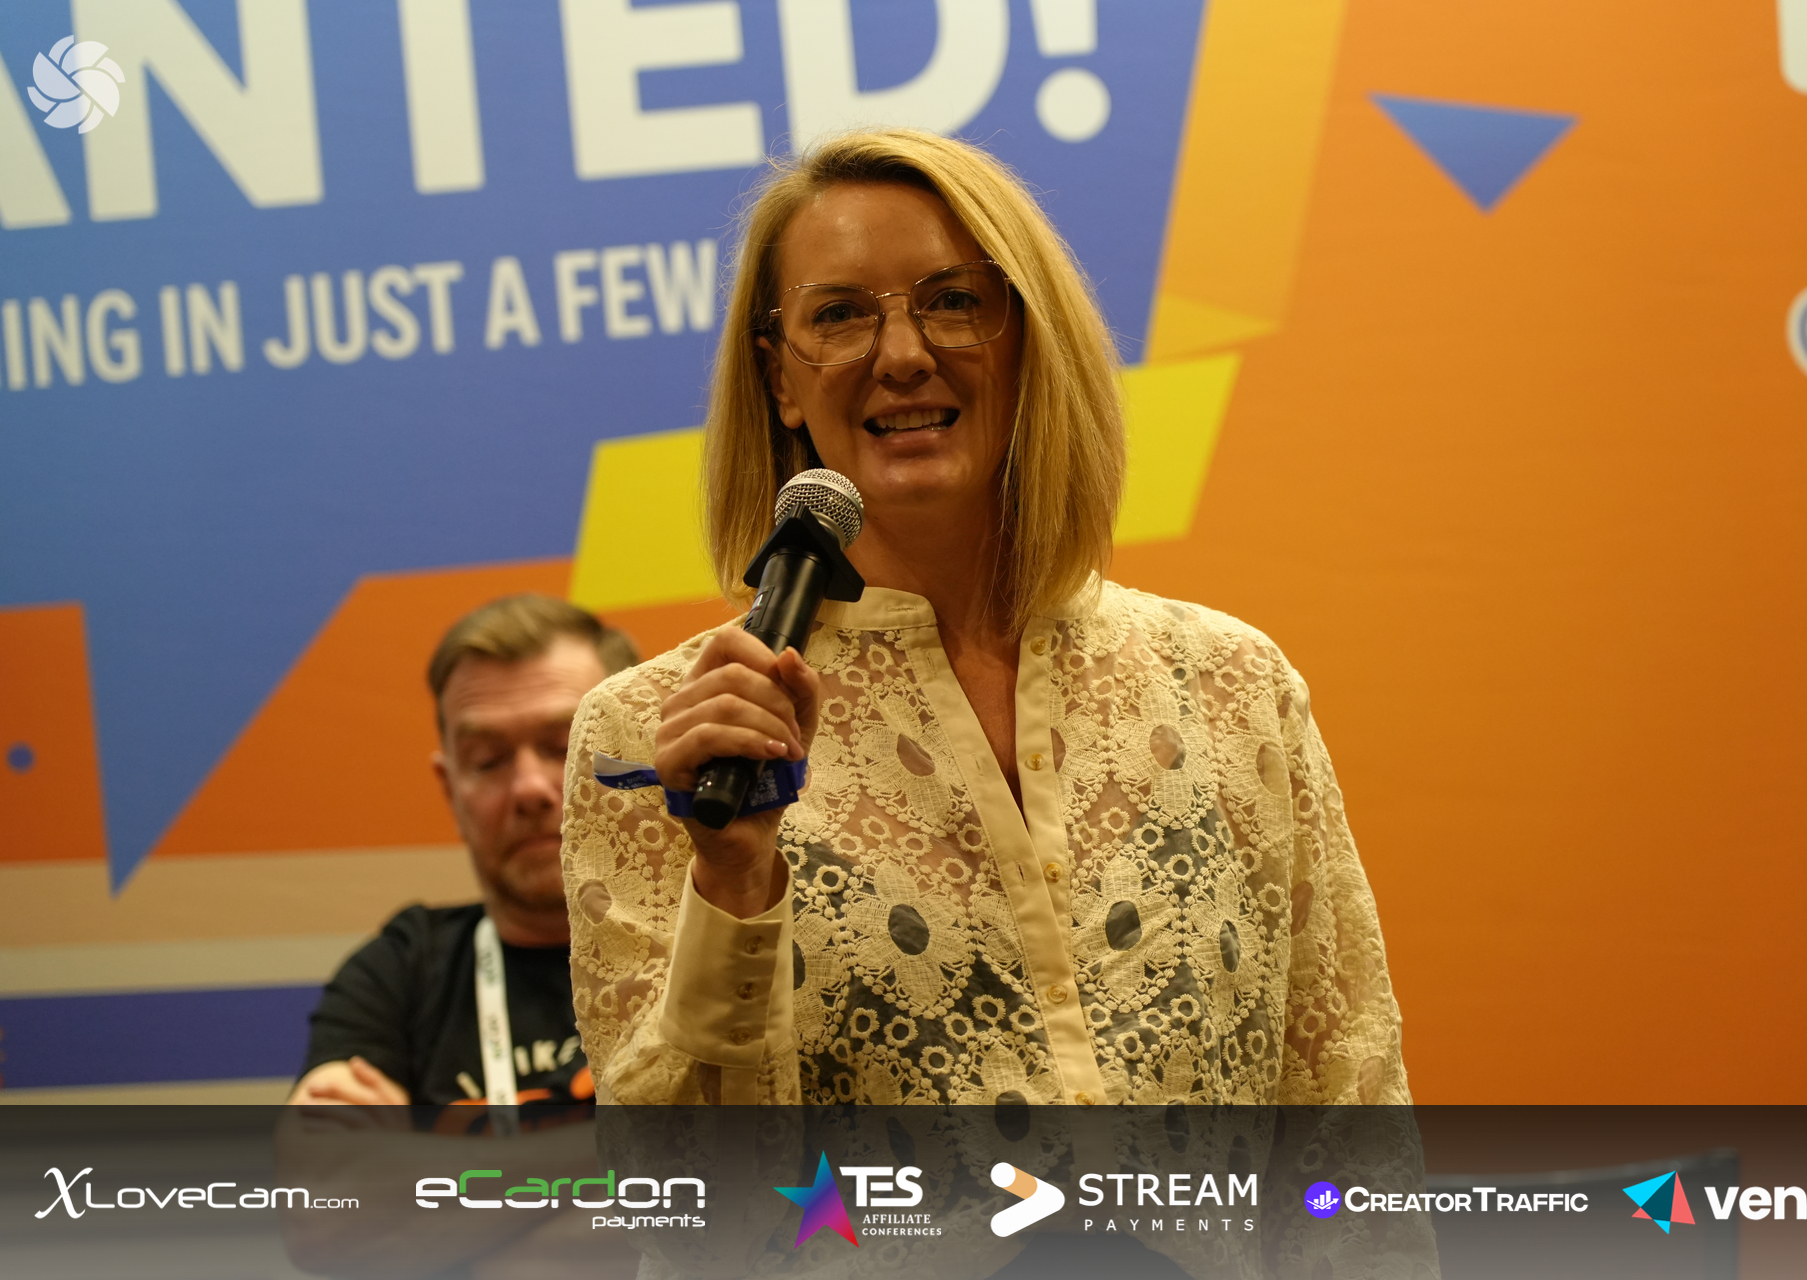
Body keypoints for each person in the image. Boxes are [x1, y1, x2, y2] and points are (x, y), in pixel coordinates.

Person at [560, 129, 1410, 1109]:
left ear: (1027, 335)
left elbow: (1348, 1109)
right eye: (839, 315)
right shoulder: (657, 736)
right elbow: (682, 1179)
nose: (903, 355)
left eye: (954, 301)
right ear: (781, 379)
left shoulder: (1233, 685)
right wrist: (733, 882)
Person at [290, 594, 638, 1106]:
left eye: (564, 746)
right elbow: (326, 1142)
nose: (529, 788)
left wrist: (420, 1146)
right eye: (488, 759)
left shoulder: (729, 932)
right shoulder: (402, 972)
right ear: (450, 789)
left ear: (641, 753)